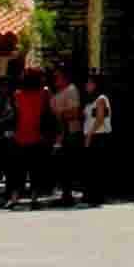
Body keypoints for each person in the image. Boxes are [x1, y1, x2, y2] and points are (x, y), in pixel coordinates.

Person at [7, 69, 52, 208]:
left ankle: (14, 199)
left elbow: (16, 112)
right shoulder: (44, 93)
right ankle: (34, 199)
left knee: (16, 170)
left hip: (20, 135)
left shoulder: (17, 94)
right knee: (36, 170)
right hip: (37, 135)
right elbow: (47, 109)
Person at [46, 65, 82, 206]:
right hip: (60, 133)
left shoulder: (71, 90)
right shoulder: (58, 92)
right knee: (60, 165)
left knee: (67, 164)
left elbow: (74, 112)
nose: (55, 78)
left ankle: (67, 195)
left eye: (58, 75)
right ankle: (64, 193)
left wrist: (59, 115)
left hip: (69, 132)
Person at [78, 74, 113, 207]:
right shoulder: (91, 100)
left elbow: (99, 120)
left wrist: (89, 135)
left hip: (98, 136)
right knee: (91, 168)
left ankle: (95, 198)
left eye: (89, 83)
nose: (87, 85)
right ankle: (91, 196)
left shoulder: (101, 99)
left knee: (96, 168)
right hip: (92, 135)